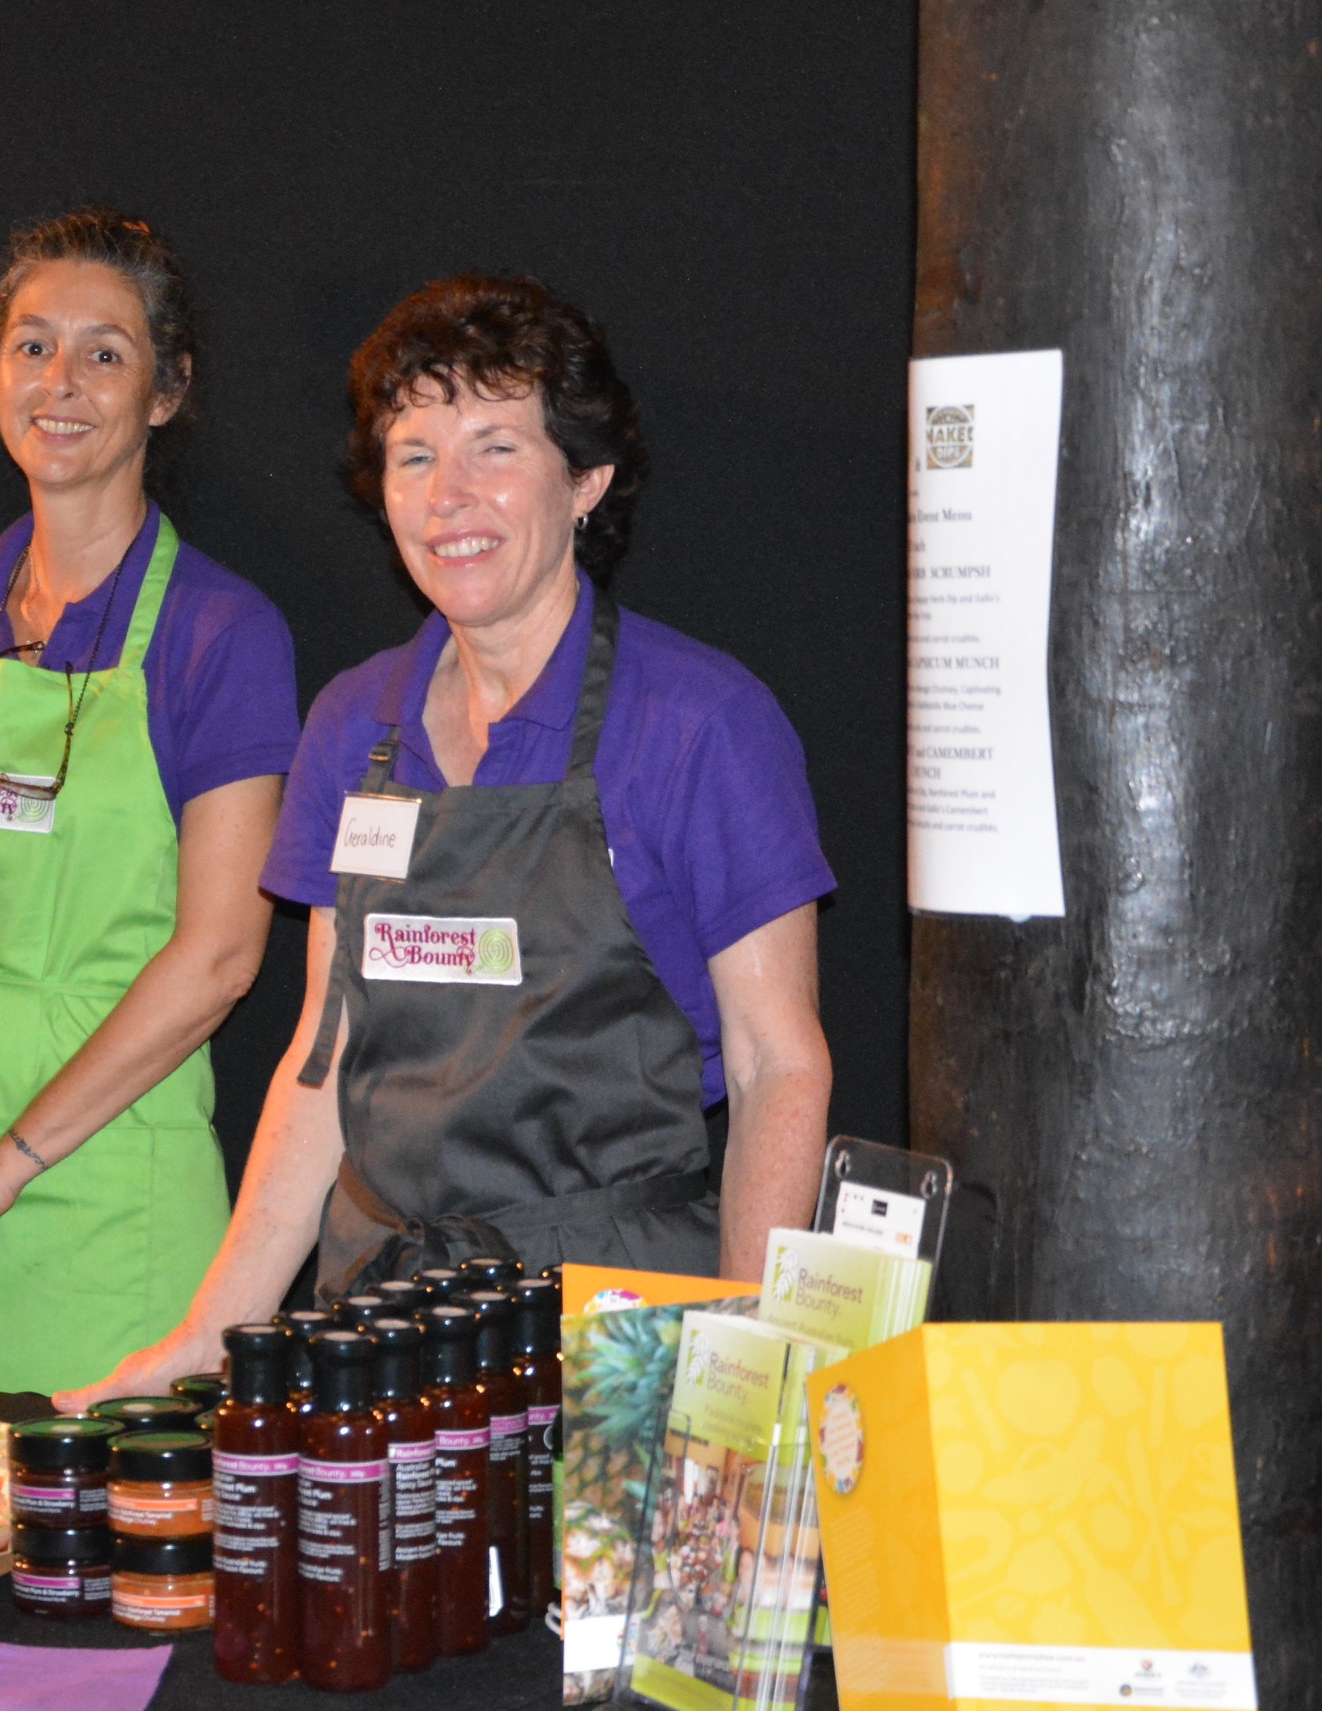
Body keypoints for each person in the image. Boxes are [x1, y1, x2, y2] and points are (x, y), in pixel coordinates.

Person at [65, 274, 835, 1405]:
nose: (447, 496)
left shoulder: (701, 723)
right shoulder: (353, 724)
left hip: (616, 1330)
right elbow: (325, 1058)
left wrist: (745, 1366)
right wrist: (215, 1327)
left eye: (495, 449)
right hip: (378, 1323)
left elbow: (779, 1065)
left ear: (586, 480)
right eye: (414, 455)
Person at [0, 209, 300, 1394]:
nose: (59, 382)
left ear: (164, 394)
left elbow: (222, 954)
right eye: (32, 345)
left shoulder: (221, 634)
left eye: (104, 353)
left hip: (102, 1192)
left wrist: (1, 1173)